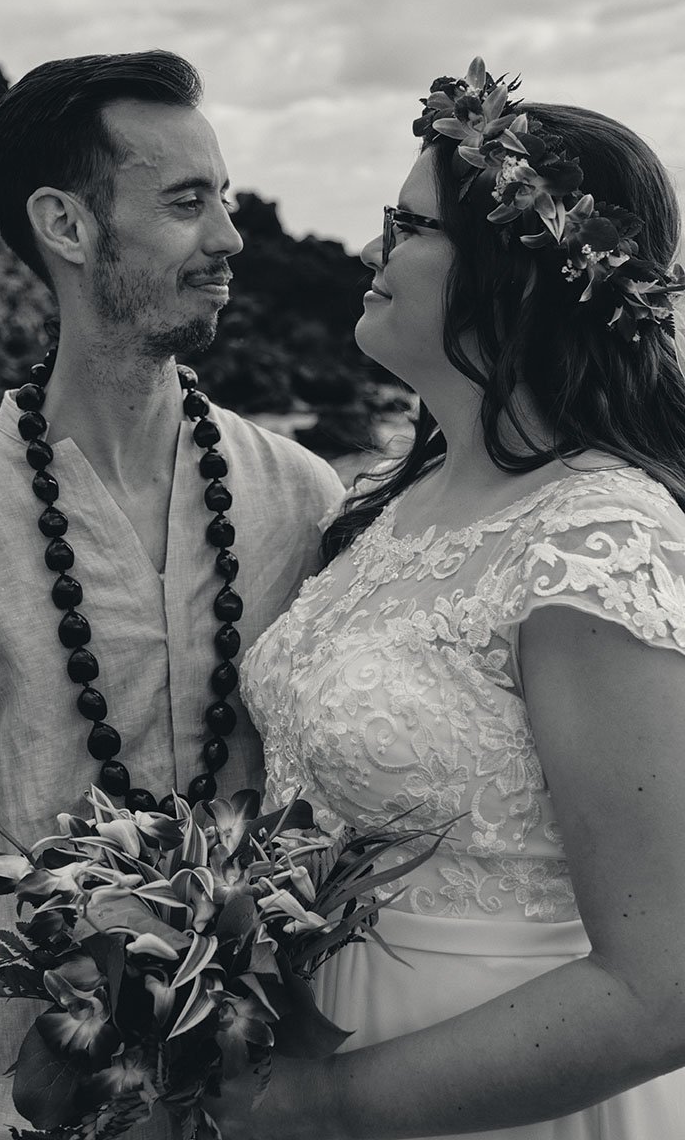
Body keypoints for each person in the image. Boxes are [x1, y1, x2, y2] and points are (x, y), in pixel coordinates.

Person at [0, 50, 344, 1140]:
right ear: (66, 225)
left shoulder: (301, 499)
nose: (229, 238)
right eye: (188, 203)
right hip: (26, 1113)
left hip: (277, 1101)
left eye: (224, 200)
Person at [223, 58, 685, 1138]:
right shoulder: (386, 505)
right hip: (314, 1047)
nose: (378, 248)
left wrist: (331, 1107)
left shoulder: (594, 539)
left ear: (519, 272)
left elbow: (661, 985)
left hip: (494, 1097)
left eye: (410, 224)